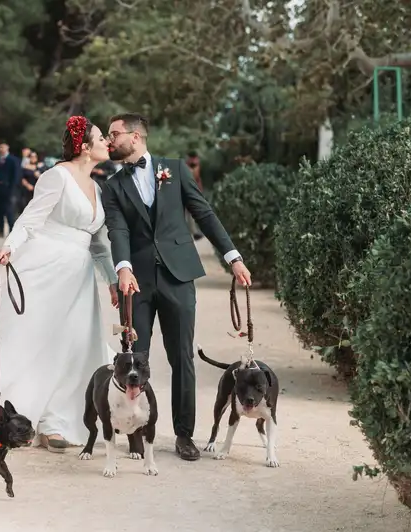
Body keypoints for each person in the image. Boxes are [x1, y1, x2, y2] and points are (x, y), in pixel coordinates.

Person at [0, 116, 119, 452]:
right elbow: (30, 219)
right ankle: (17, 416)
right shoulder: (56, 176)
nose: (108, 142)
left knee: (73, 346)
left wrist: (114, 280)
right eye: (102, 138)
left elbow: (99, 242)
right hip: (46, 267)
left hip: (80, 276)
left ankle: (56, 421)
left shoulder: (99, 188)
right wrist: (9, 247)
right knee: (34, 342)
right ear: (85, 147)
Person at [101, 112, 252, 462]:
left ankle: (184, 434)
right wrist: (122, 268)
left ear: (135, 137)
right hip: (135, 283)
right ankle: (136, 433)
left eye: (114, 135)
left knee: (182, 358)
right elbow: (117, 230)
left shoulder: (175, 169)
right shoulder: (112, 186)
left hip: (179, 277)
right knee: (132, 358)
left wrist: (233, 257)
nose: (109, 141)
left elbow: (205, 214)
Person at [0, 141, 21, 238]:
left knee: (9, 210)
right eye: (0, 147)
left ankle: (11, 230)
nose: (1, 149)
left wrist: (13, 189)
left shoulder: (13, 160)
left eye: (3, 147)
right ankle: (1, 230)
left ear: (7, 147)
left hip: (8, 188)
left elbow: (16, 176)